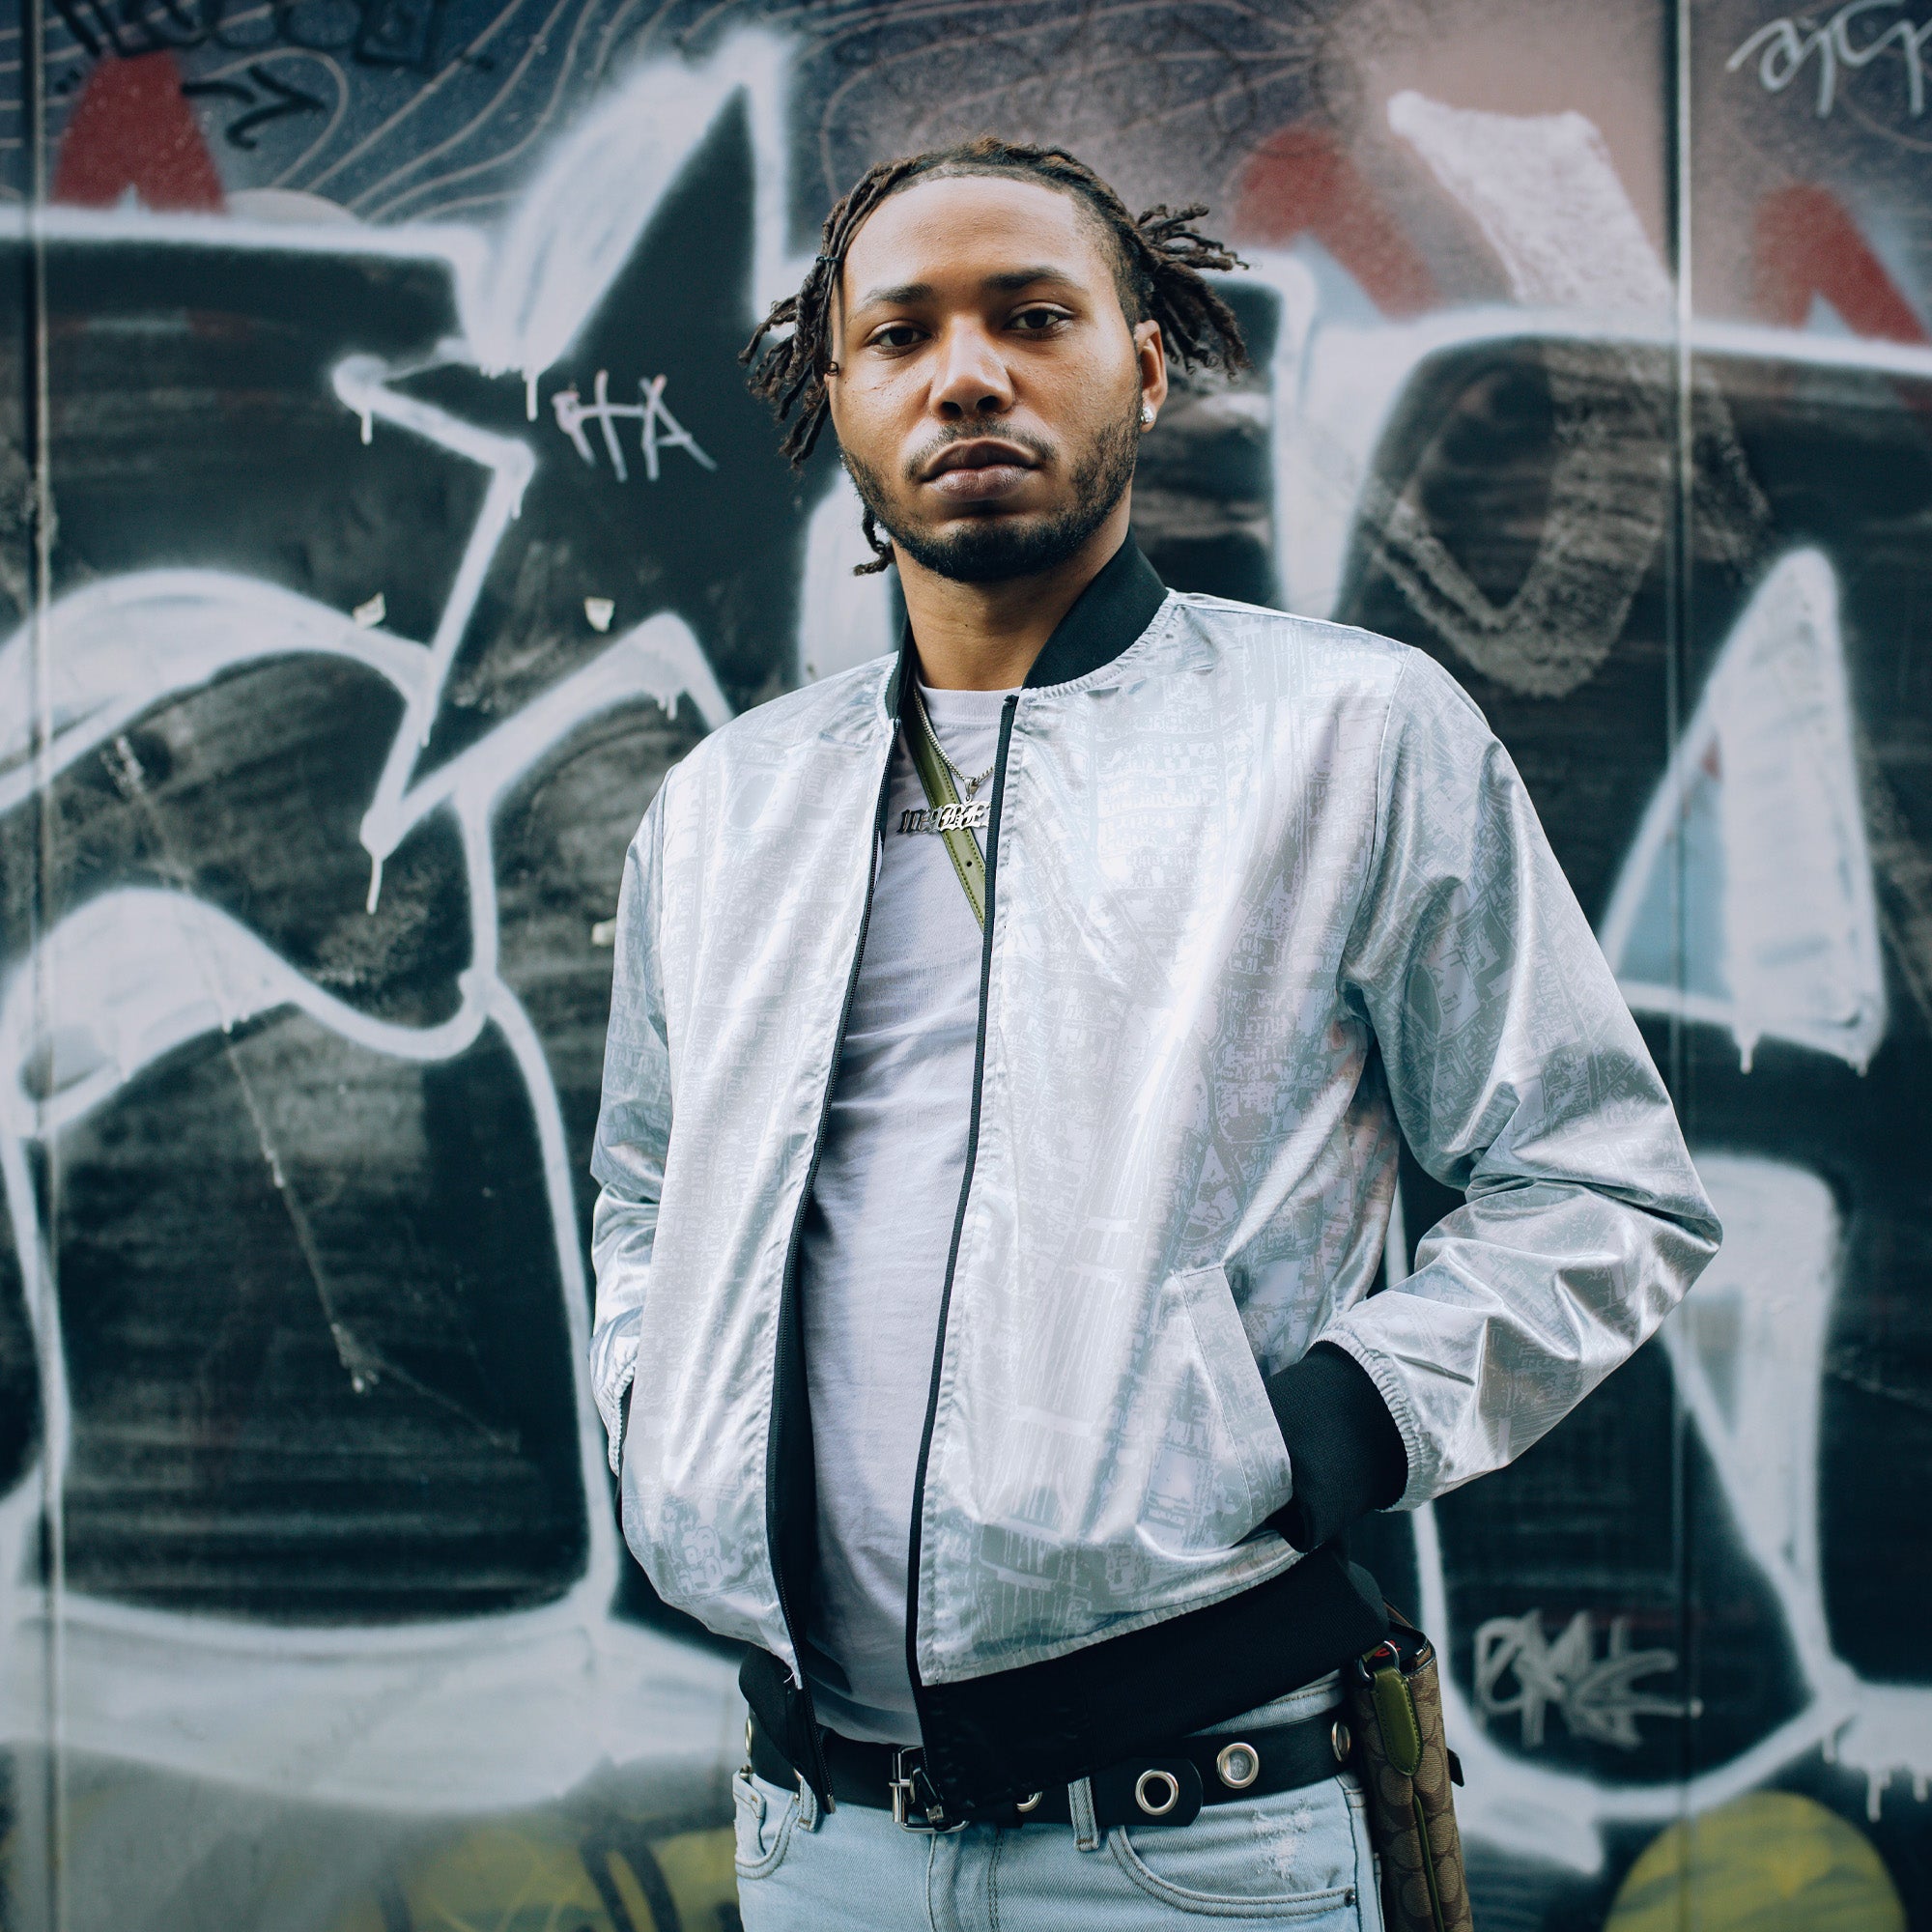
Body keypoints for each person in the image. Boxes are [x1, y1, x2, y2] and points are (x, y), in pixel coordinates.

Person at [587, 136, 1719, 1929]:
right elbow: (645, 1192)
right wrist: (662, 1416)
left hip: (1204, 1840)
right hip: (816, 1842)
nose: (970, 373)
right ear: (838, 392)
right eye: (902, 335)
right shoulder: (726, 809)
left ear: (1146, 359)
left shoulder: (1345, 736)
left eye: (1034, 316)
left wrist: (1327, 1429)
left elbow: (1598, 1185)